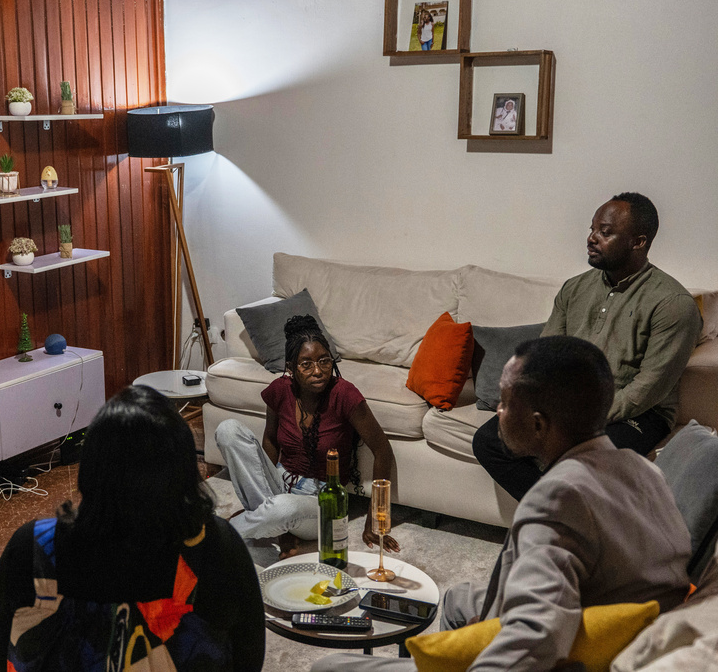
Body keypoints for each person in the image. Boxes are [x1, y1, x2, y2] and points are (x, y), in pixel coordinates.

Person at [312, 336, 692, 672]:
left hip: (565, 650)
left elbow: (535, 636)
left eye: (507, 403)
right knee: (460, 597)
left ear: (540, 425)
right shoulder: (643, 470)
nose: (498, 412)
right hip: (616, 618)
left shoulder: (558, 496)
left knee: (329, 666)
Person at [0, 385, 264, 672]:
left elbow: (2, 655)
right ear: (183, 471)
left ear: (92, 469)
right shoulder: (214, 545)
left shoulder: (31, 548)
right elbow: (248, 658)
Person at [474, 192, 702, 501]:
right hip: (568, 404)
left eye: (605, 232)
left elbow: (648, 389)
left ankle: (571, 525)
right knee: (489, 439)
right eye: (592, 229)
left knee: (580, 461)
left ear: (638, 241)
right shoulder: (575, 288)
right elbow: (546, 358)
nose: (592, 238)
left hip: (637, 414)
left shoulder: (673, 304)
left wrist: (577, 418)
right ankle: (560, 517)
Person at [215, 314, 399, 558]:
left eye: (324, 361)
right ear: (291, 368)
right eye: (306, 364)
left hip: (321, 502)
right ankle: (275, 523)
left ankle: (214, 535)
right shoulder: (280, 390)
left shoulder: (344, 393)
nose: (318, 371)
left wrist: (374, 519)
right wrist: (264, 493)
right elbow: (270, 441)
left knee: (283, 508)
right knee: (227, 429)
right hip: (281, 483)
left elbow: (382, 450)